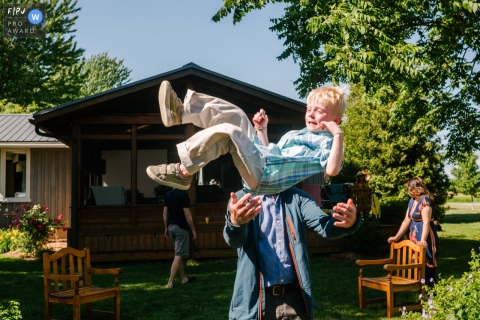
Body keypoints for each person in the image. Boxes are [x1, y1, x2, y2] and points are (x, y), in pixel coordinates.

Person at [146, 80, 347, 195]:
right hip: (263, 163)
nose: (311, 114)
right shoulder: (295, 134)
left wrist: (337, 134)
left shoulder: (329, 142)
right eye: (309, 109)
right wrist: (262, 130)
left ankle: (182, 172)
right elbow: (270, 153)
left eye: (319, 111)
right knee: (237, 116)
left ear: (335, 120)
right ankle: (180, 112)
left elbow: (332, 169)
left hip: (267, 178)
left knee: (229, 132)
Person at [224, 188, 360, 319]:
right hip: (255, 302)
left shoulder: (297, 197)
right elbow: (234, 241)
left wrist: (348, 223)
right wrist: (235, 224)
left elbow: (324, 224)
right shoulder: (242, 199)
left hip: (295, 299)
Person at [388, 177, 439, 287]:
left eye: (409, 189)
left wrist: (423, 240)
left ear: (415, 188)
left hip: (426, 236)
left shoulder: (425, 201)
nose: (408, 191)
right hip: (414, 236)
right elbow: (407, 220)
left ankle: (432, 295)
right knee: (417, 265)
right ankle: (422, 294)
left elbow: (426, 222)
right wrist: (396, 237)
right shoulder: (412, 201)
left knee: (427, 265)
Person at [163, 188, 197, 288]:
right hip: (181, 228)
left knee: (178, 254)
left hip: (171, 227)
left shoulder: (168, 194)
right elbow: (187, 213)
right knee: (178, 255)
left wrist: (166, 227)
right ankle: (170, 282)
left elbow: (165, 212)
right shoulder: (183, 195)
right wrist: (193, 229)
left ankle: (183, 278)